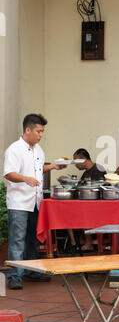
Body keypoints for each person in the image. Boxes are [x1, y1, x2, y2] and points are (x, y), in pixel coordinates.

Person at [3, 113, 66, 290]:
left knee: (32, 240)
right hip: (19, 203)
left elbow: (38, 168)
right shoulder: (14, 149)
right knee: (17, 241)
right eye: (38, 131)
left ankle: (30, 271)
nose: (40, 135)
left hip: (35, 202)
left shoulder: (38, 150)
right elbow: (9, 173)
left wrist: (52, 166)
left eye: (42, 132)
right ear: (28, 130)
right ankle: (14, 276)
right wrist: (25, 179)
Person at [64, 149, 107, 252]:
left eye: (76, 161)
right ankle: (74, 244)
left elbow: (98, 189)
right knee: (66, 212)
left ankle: (88, 243)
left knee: (84, 211)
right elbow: (80, 187)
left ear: (83, 159)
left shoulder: (99, 170)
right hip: (87, 203)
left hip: (98, 205)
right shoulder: (86, 173)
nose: (75, 164)